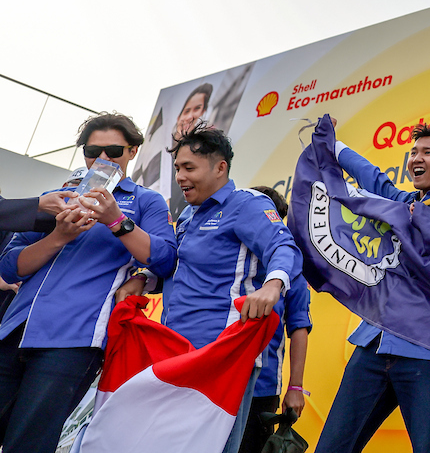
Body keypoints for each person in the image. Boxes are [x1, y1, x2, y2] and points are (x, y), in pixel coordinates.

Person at [114, 122, 304, 453]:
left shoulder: (247, 203)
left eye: (189, 167)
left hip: (222, 355)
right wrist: (143, 278)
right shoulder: (188, 216)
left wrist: (273, 285)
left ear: (220, 167)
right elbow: (176, 267)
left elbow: (283, 248)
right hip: (176, 351)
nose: (180, 177)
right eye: (177, 168)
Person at [0, 113, 177, 453]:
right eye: (93, 150)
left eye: (114, 150)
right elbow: (9, 268)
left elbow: (166, 259)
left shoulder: (145, 201)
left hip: (74, 341)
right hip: (14, 330)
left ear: (133, 151)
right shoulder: (54, 197)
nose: (103, 160)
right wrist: (57, 237)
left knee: (28, 443)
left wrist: (116, 221)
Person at [316, 124, 430, 453]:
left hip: (426, 350)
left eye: (427, 152)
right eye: (413, 153)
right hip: (372, 344)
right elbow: (373, 178)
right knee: (333, 446)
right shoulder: (403, 202)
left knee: (429, 448)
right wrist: (333, 145)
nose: (416, 159)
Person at [238, 186, 312, 453]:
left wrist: (295, 386)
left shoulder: (291, 269)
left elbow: (299, 328)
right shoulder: (229, 261)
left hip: (262, 387)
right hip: (217, 378)